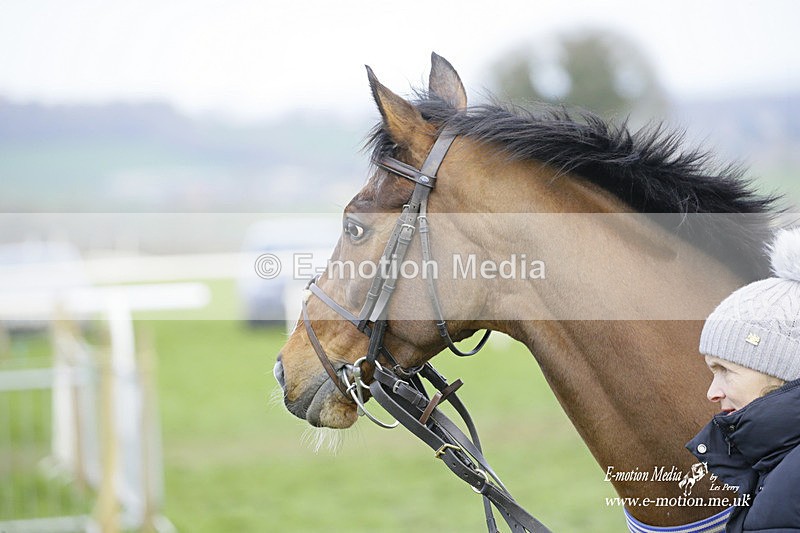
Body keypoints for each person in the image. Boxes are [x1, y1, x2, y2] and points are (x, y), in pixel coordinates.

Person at [687, 225, 800, 532]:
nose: (712, 392)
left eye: (726, 370)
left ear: (785, 369)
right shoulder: (773, 470)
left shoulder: (790, 484)